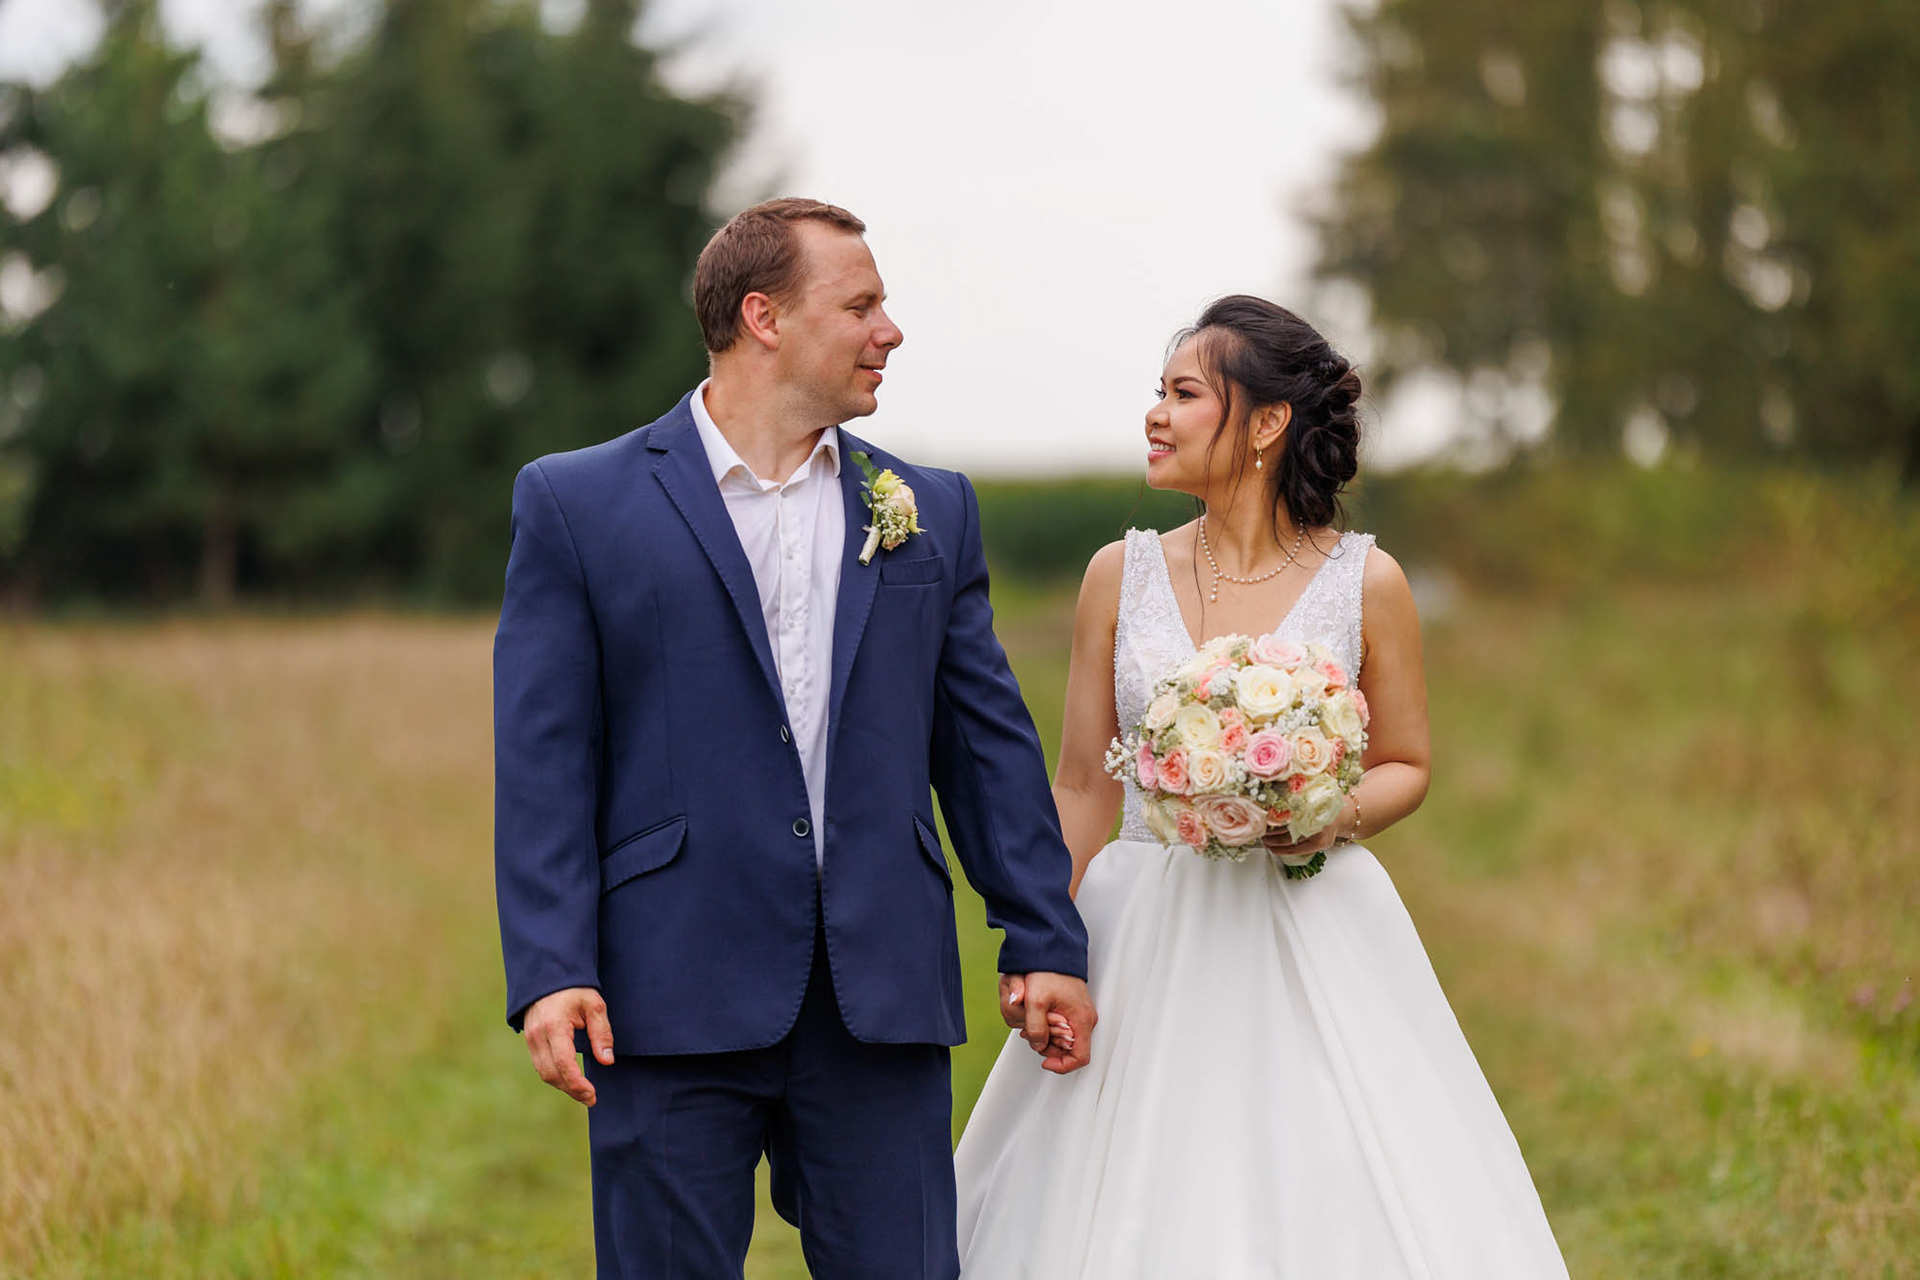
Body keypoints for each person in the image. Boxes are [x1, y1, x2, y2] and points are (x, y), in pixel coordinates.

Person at [493, 197, 1095, 1280]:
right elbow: (545, 759)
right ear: (762, 318)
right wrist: (551, 966)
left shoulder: (930, 509)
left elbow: (984, 745)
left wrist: (1043, 934)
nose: (889, 331)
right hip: (667, 989)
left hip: (880, 991)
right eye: (860, 306)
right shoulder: (576, 503)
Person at [953, 296, 1569, 1276]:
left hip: (1308, 918)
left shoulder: (1368, 581)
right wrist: (1041, 936)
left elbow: (1407, 763)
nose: (1156, 414)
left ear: (1268, 421)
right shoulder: (1118, 573)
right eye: (1157, 393)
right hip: (1141, 921)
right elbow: (1081, 783)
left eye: (1184, 394)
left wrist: (1323, 813)